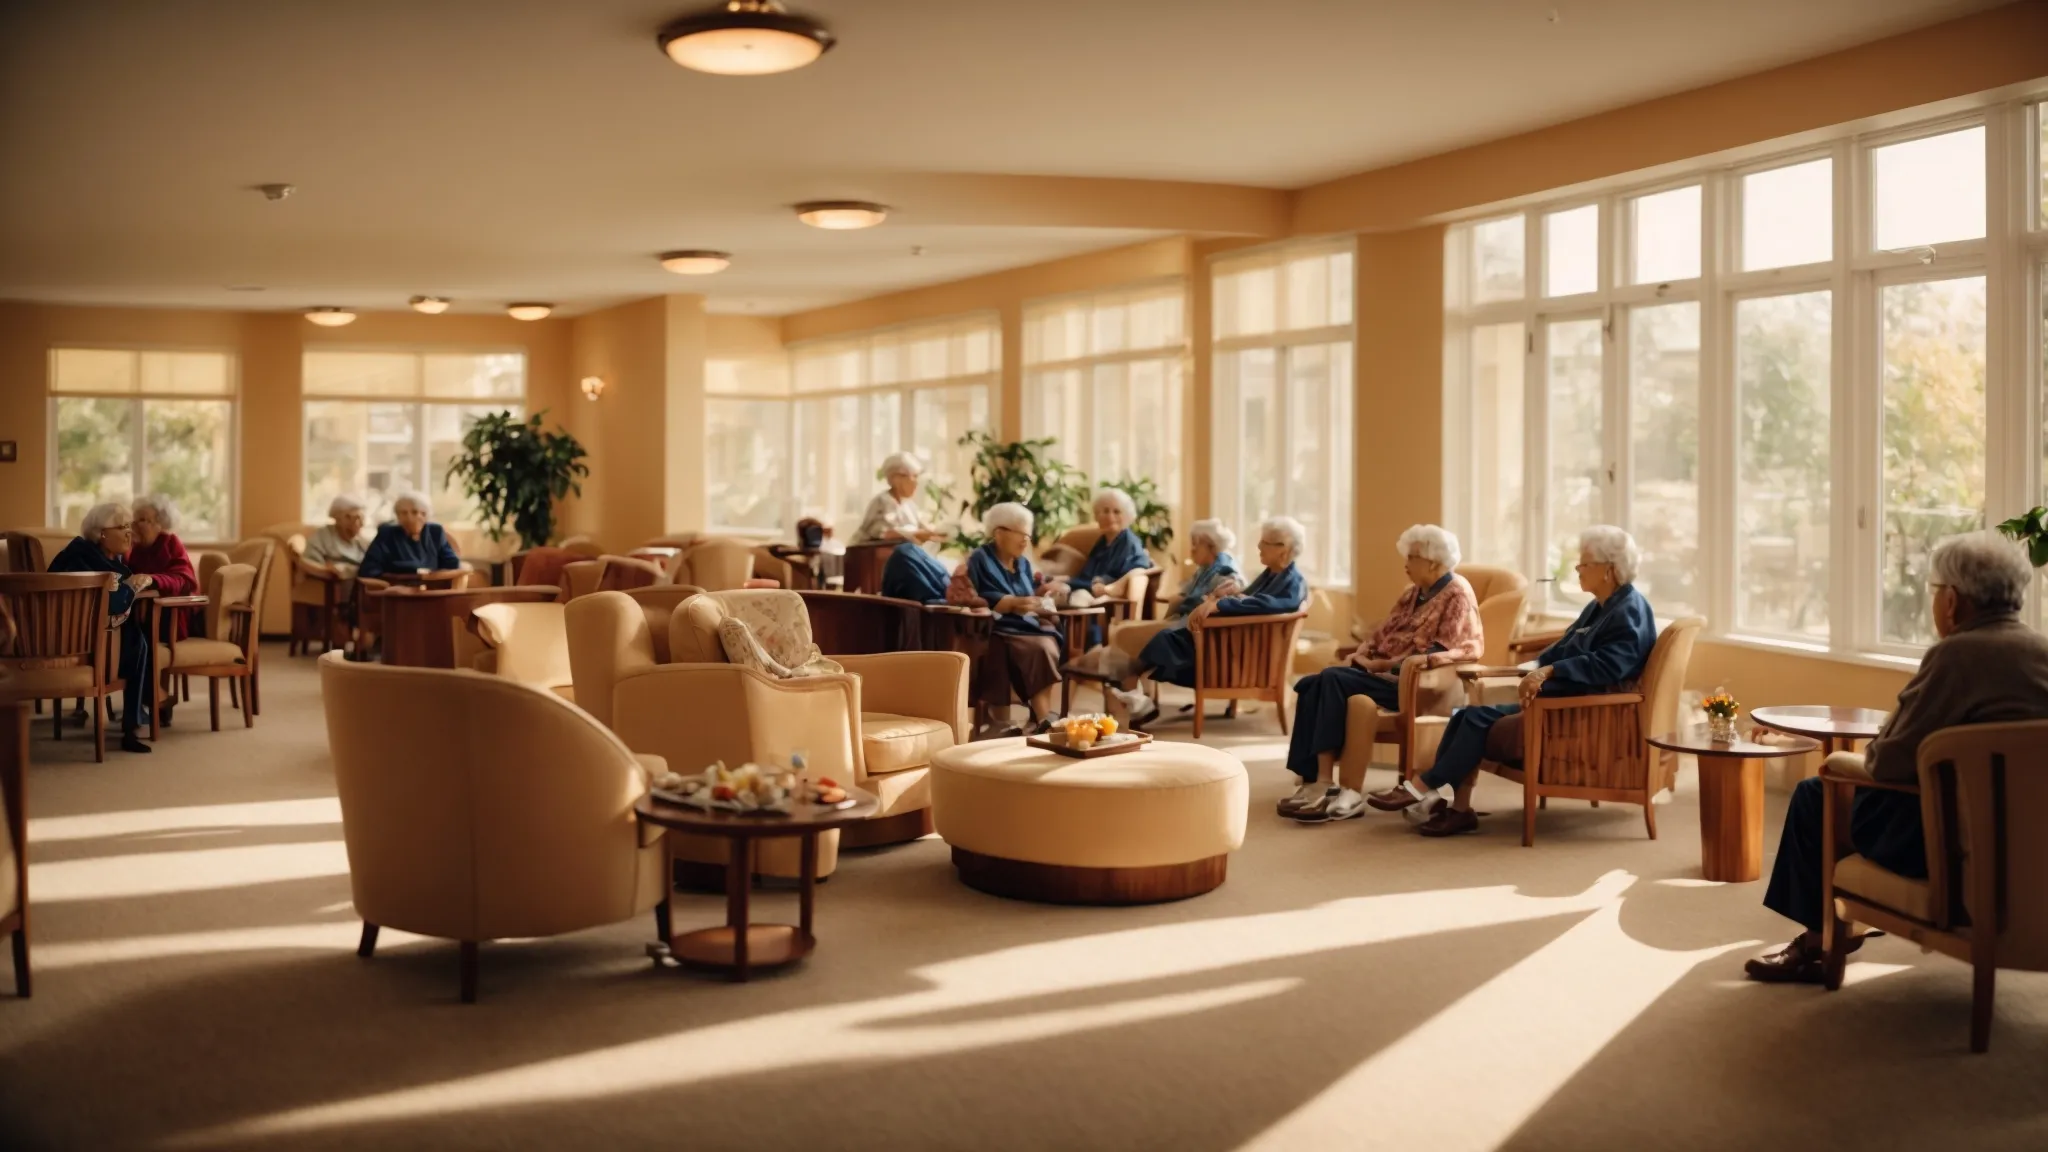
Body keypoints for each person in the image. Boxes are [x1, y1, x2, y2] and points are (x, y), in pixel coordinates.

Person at [1745, 531, 2048, 984]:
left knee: (1819, 791)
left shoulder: (1957, 655)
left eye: (1932, 592)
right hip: (2029, 848)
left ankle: (1819, 943)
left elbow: (1887, 764)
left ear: (1951, 600)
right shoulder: (2041, 651)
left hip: (1949, 847)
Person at [1368, 525, 1656, 837]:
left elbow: (1611, 664)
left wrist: (1549, 672)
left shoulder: (1629, 610)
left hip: (1583, 714)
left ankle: (1422, 786)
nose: (1577, 569)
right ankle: (1457, 808)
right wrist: (1528, 667)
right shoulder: (1600, 605)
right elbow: (1563, 647)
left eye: (1584, 564)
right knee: (1464, 716)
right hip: (1558, 703)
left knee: (1476, 720)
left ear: (1608, 570)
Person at [1281, 525, 1484, 823]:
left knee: (1332, 679)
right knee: (1311, 684)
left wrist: (1385, 666)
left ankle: (1326, 783)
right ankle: (1313, 780)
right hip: (1381, 674)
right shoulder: (1414, 593)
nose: (1405, 563)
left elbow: (1441, 652)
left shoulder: (1457, 594)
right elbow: (1382, 633)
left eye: (1413, 557)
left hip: (1416, 684)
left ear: (1434, 562)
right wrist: (1362, 653)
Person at [1109, 516, 1310, 729]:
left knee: (1167, 640)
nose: (1259, 546)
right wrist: (1231, 594)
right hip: (1234, 645)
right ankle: (1135, 692)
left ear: (1284, 549)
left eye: (1266, 542)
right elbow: (1253, 599)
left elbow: (1271, 605)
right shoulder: (1274, 573)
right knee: (1169, 639)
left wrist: (1219, 605)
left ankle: (1134, 691)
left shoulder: (1293, 581)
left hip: (1238, 656)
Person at [47, 502, 154, 753]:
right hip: (71, 640)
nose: (130, 533)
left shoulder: (104, 557)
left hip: (91, 632)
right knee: (137, 640)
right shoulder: (80, 558)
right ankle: (133, 723)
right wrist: (131, 585)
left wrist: (132, 582)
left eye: (130, 526)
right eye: (122, 527)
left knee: (138, 637)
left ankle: (136, 718)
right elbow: (111, 604)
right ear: (102, 533)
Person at [966, 502, 1066, 736]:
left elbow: (1028, 597)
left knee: (1050, 640)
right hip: (997, 626)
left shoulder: (1022, 563)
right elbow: (980, 597)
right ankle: (1042, 718)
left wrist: (1045, 599)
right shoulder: (980, 559)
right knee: (1041, 646)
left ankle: (1039, 719)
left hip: (1025, 623)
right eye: (1020, 534)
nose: (1025, 541)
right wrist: (1010, 602)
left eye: (1027, 535)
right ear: (999, 533)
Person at [858, 452, 953, 603]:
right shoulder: (882, 502)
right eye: (913, 476)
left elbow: (924, 527)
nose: (916, 482)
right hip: (881, 558)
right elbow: (878, 532)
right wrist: (913, 534)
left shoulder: (910, 505)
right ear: (896, 478)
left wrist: (936, 532)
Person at [357, 492, 462, 581]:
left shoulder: (435, 532)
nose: (409, 518)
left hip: (432, 587)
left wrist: (432, 576)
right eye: (403, 513)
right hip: (399, 590)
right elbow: (368, 569)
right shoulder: (387, 534)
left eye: (414, 512)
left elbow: (452, 563)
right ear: (398, 517)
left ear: (425, 515)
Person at [304, 494, 372, 576]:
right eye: (349, 517)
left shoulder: (362, 543)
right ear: (338, 519)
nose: (360, 523)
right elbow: (309, 563)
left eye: (361, 518)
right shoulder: (322, 537)